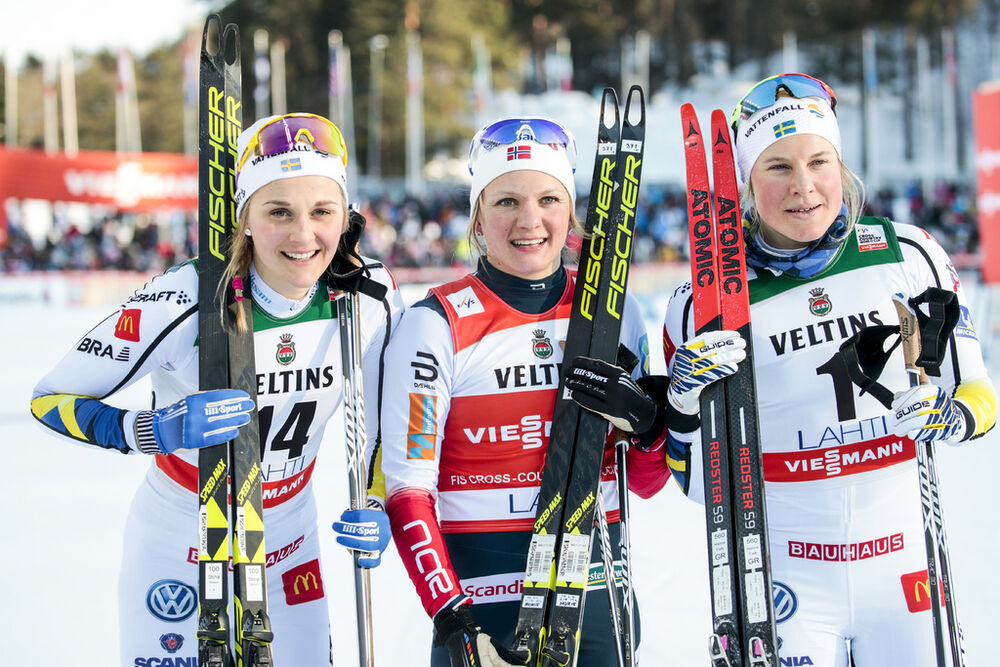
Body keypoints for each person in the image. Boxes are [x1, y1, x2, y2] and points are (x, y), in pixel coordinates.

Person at [30, 112, 404, 665]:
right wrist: (151, 429)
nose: (304, 235)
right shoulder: (187, 298)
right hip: (182, 532)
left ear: (345, 217)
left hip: (287, 537)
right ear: (245, 216)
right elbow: (49, 399)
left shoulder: (367, 295)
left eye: (322, 211)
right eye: (278, 212)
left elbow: (382, 423)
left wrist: (378, 502)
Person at [378, 115, 743, 666]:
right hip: (483, 609)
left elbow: (643, 484)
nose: (530, 220)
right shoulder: (437, 324)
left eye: (549, 199)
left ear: (570, 210)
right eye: (505, 202)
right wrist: (451, 616)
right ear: (476, 215)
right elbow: (408, 493)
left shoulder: (615, 314)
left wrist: (647, 426)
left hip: (597, 599)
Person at [662, 73, 998, 666]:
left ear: (841, 165)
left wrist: (949, 414)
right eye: (778, 167)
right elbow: (693, 482)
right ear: (745, 180)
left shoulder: (907, 257)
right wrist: (686, 403)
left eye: (819, 161)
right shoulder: (705, 301)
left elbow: (979, 396)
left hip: (905, 575)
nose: (804, 187)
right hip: (783, 582)